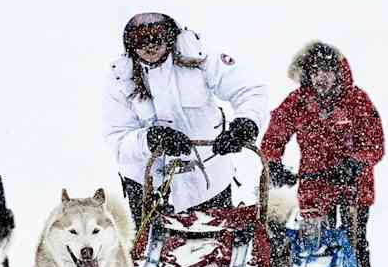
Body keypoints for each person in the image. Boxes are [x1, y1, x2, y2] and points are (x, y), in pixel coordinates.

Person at [103, 12, 269, 225]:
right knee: (151, 254)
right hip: (149, 188)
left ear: (170, 37)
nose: (149, 46)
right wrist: (150, 139)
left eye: (156, 37)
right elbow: (117, 138)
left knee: (214, 251)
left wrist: (245, 124)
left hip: (208, 183)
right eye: (140, 39)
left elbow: (250, 90)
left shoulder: (200, 59)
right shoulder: (120, 79)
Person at [260, 41, 385, 267]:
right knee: (314, 242)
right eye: (316, 71)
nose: (322, 77)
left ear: (339, 72)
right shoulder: (298, 101)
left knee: (354, 241)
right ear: (308, 74)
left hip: (354, 186)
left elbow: (375, 143)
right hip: (315, 184)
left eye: (328, 71)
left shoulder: (356, 100)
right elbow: (275, 134)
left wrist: (356, 163)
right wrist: (273, 162)